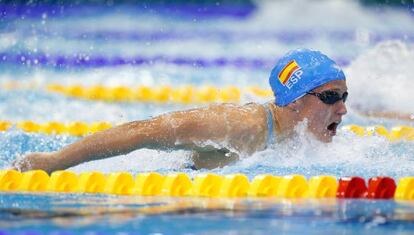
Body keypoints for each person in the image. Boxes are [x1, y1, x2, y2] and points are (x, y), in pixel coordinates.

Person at [13, 49, 348, 173]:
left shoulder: (303, 138)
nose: (343, 108)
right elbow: (140, 132)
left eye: (344, 96)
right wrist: (55, 162)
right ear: (294, 99)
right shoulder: (237, 125)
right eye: (331, 96)